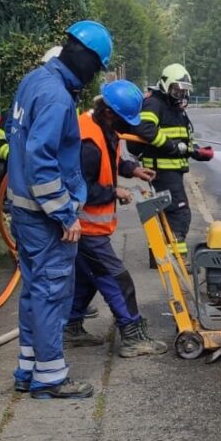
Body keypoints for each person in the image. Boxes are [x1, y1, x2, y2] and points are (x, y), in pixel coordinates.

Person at [6, 20, 113, 400]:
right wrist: (64, 213)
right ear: (84, 56)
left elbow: (13, 137)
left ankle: (29, 368)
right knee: (52, 292)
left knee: (34, 290)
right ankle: (51, 378)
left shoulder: (34, 80)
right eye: (97, 66)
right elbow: (41, 157)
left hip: (24, 209)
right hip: (45, 215)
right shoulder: (56, 97)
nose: (94, 76)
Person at [64, 80, 168, 357]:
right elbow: (79, 189)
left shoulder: (101, 127)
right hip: (84, 228)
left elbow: (110, 162)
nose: (128, 126)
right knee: (117, 279)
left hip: (90, 228)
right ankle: (133, 337)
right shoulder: (88, 143)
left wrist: (133, 170)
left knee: (87, 280)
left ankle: (69, 328)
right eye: (125, 120)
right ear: (110, 112)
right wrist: (114, 191)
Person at [128, 64, 213, 256]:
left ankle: (158, 254)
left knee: (164, 212)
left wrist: (196, 151)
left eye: (184, 91)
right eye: (176, 90)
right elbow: (145, 129)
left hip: (170, 170)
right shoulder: (155, 103)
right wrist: (172, 146)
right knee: (179, 213)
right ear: (165, 86)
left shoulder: (172, 106)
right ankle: (178, 257)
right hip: (163, 171)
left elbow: (180, 136)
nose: (181, 95)